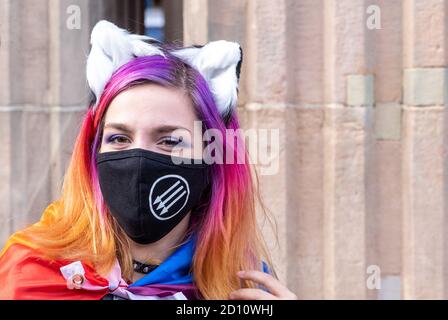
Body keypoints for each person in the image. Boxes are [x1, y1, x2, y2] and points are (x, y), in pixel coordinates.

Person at [0, 20, 297, 300]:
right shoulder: (31, 275)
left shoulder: (239, 287)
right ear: (94, 151)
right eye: (119, 138)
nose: (139, 158)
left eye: (170, 141)